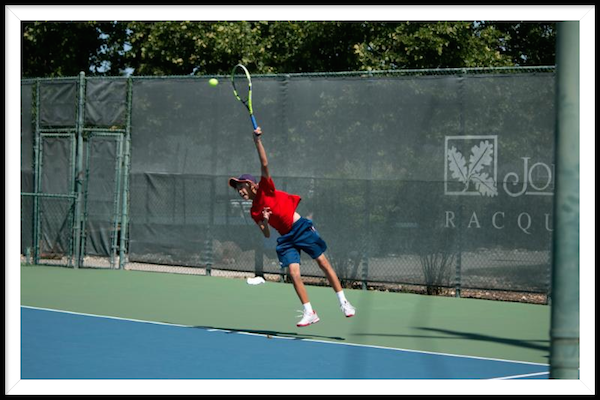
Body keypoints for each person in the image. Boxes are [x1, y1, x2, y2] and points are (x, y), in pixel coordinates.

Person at [228, 126, 356, 327]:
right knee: (294, 274)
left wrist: (257, 141)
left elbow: (264, 163)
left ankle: (344, 302)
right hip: (286, 238)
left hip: (300, 228)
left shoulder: (265, 188)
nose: (239, 191)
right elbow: (266, 233)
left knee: (323, 263)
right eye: (237, 189)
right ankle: (309, 312)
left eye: (241, 186)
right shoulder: (253, 211)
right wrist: (264, 219)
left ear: (251, 185)